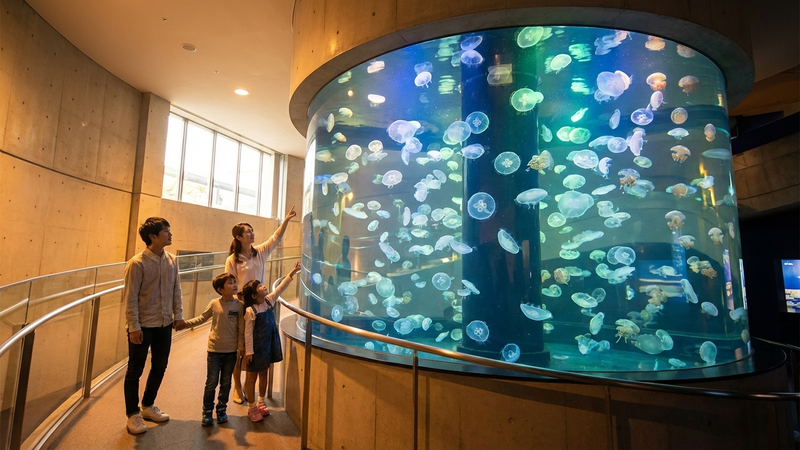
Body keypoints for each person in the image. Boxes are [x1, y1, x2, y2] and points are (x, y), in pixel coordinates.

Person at [225, 205, 296, 404]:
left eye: (252, 230)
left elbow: (276, 238)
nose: (252, 233)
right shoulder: (233, 260)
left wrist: (287, 219)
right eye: (248, 231)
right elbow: (230, 283)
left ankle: (260, 395)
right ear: (239, 237)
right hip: (241, 306)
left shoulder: (260, 253)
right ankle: (238, 388)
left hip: (261, 307)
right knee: (240, 349)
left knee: (257, 347)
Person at [122, 217, 185, 435]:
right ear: (153, 236)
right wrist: (134, 327)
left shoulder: (172, 260)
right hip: (142, 326)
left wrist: (179, 314)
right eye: (166, 232)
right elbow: (130, 298)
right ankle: (132, 414)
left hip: (165, 324)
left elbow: (177, 289)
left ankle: (147, 406)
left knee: (160, 366)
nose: (170, 235)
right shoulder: (137, 263)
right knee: (135, 370)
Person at [180, 273, 244, 426]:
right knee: (211, 382)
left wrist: (241, 347)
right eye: (230, 283)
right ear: (220, 289)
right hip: (214, 350)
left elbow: (241, 328)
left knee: (226, 382)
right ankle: (207, 411)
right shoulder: (214, 303)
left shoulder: (240, 306)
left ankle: (221, 409)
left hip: (231, 351)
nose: (235, 285)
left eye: (235, 282)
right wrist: (185, 324)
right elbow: (202, 318)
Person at [241, 262, 300, 422]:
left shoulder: (268, 301)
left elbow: (280, 288)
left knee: (264, 373)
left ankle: (261, 401)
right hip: (256, 348)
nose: (264, 286)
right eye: (260, 286)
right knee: (252, 377)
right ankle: (251, 406)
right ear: (253, 295)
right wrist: (249, 352)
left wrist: (292, 272)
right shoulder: (250, 310)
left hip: (268, 345)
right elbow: (248, 333)